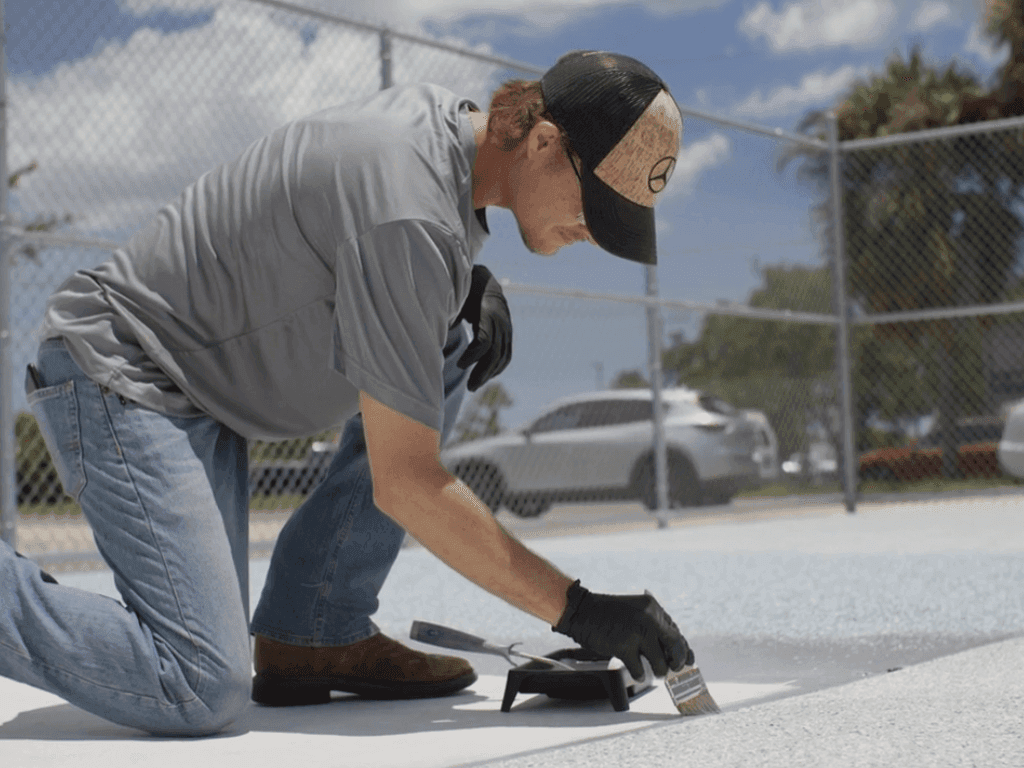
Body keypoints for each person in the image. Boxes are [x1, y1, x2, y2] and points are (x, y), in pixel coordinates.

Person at [1, 50, 693, 736]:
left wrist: (458, 286)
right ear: (543, 142)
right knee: (197, 681)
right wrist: (577, 609)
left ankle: (315, 628)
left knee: (454, 338)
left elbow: (352, 230)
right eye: (596, 207)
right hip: (127, 371)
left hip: (203, 390)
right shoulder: (411, 209)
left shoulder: (444, 134)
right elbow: (408, 483)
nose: (595, 235)